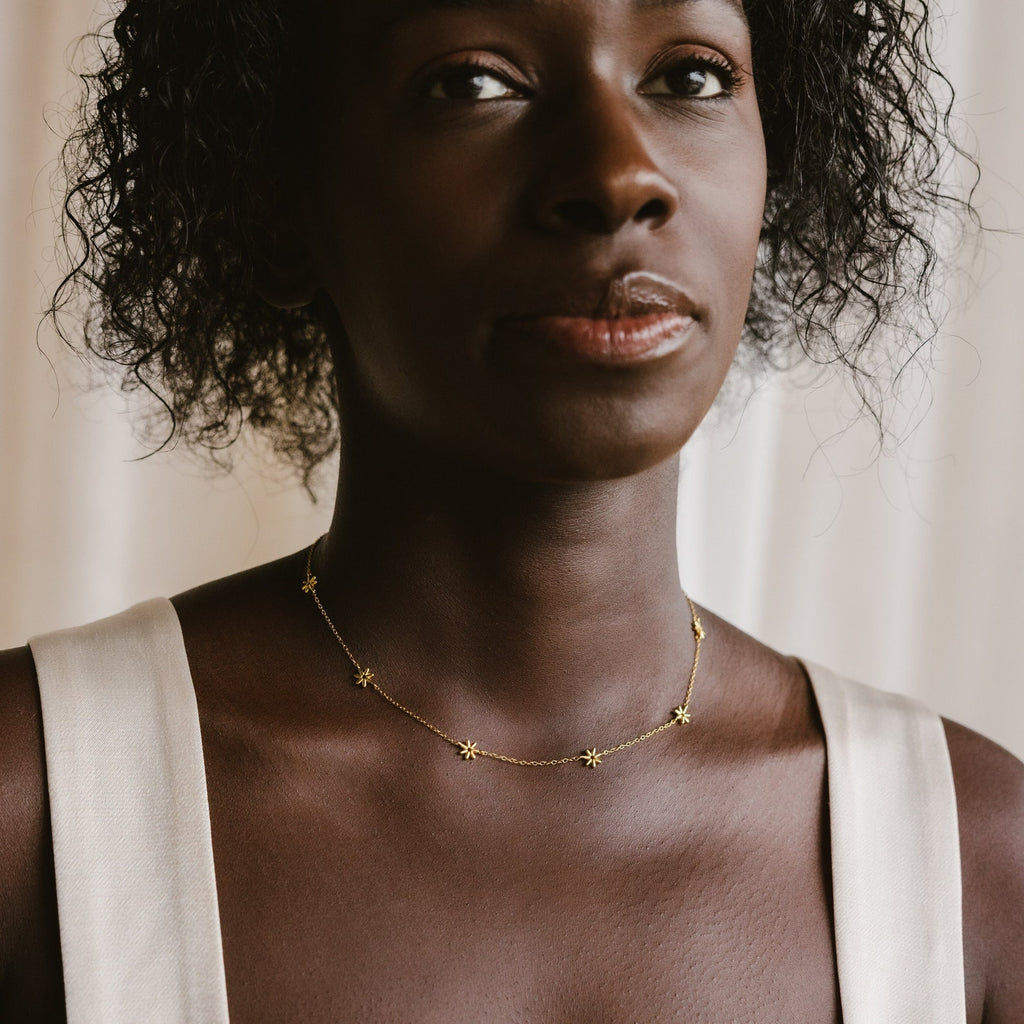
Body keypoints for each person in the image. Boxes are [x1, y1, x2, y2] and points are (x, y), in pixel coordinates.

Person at [1, 0, 1021, 1019]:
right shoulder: (33, 806)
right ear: (276, 195)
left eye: (692, 76)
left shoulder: (975, 857)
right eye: (472, 81)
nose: (620, 175)